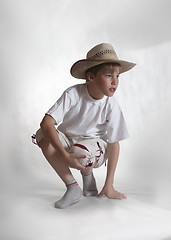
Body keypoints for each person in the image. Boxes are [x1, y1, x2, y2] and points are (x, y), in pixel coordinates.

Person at [32, 43, 136, 209]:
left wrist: (109, 185)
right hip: (69, 142)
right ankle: (72, 186)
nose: (115, 82)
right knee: (41, 134)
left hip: (93, 147)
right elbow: (47, 122)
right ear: (91, 77)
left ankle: (87, 175)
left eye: (118, 76)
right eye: (109, 75)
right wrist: (65, 156)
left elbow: (114, 143)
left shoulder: (112, 105)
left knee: (80, 150)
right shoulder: (73, 94)